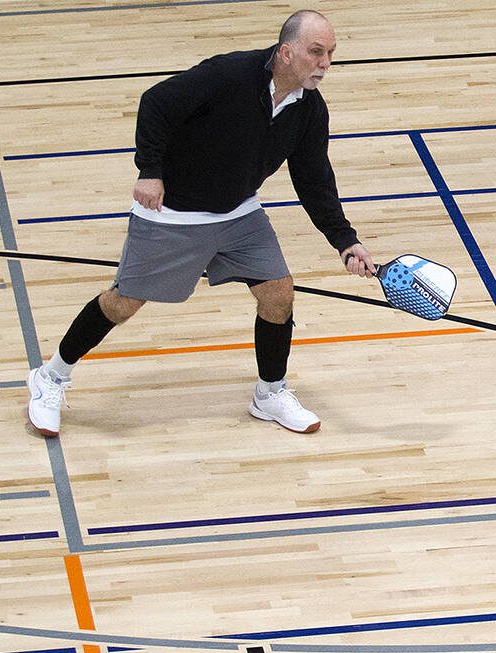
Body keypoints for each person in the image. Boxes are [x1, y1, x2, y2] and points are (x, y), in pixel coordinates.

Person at [26, 9, 373, 437]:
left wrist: (344, 240)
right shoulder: (229, 75)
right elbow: (156, 103)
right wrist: (149, 170)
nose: (325, 64)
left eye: (331, 54)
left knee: (279, 293)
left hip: (239, 212)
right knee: (123, 303)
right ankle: (51, 376)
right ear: (285, 52)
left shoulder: (308, 109)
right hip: (175, 212)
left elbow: (314, 178)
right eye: (315, 52)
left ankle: (270, 392)